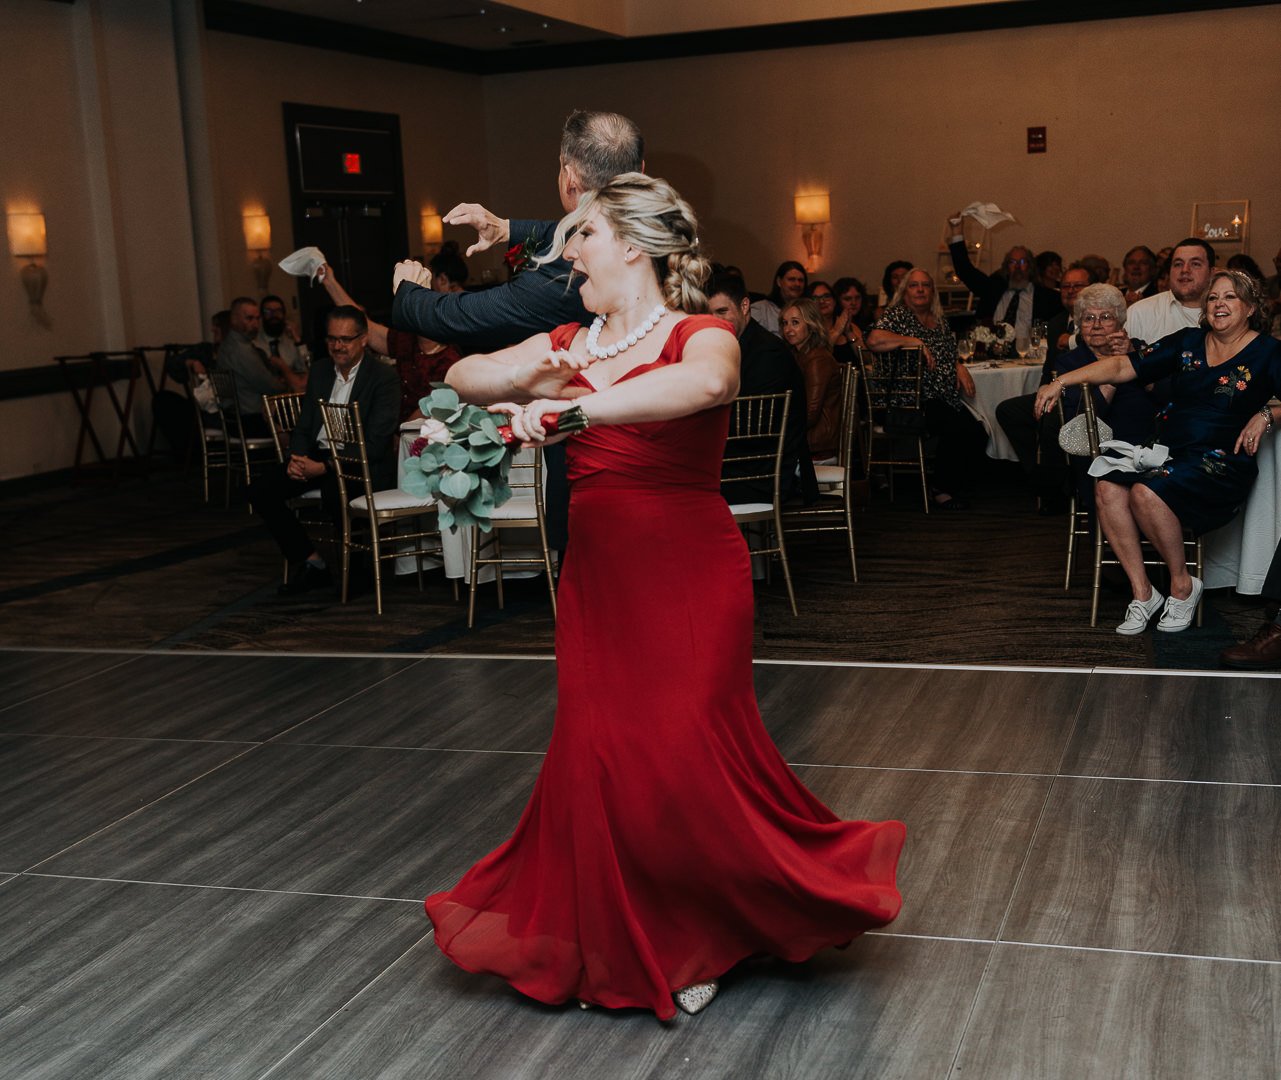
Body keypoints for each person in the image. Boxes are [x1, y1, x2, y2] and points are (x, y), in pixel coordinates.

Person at [428, 173, 904, 1020]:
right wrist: (529, 375)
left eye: (581, 237)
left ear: (633, 247)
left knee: (680, 746)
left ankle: (703, 931)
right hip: (599, 574)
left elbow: (706, 389)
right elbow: (466, 373)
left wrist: (580, 411)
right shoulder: (568, 336)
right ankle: (618, 929)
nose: (566, 253)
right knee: (601, 749)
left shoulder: (699, 332)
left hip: (685, 567)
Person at [388, 109, 644, 551]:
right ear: (641, 174)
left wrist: (409, 294)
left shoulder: (565, 277)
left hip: (601, 472)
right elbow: (563, 229)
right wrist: (507, 229)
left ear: (568, 178)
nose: (572, 252)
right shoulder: (659, 247)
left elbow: (465, 317)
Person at [1034, 269, 1281, 634]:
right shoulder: (1188, 341)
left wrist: (1266, 414)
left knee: (1146, 494)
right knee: (1106, 486)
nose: (1219, 304)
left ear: (1249, 307)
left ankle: (1182, 585)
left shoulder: (1268, 352)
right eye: (1213, 298)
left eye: (1229, 297)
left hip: (1219, 464)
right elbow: (1123, 365)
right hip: (1166, 453)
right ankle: (1144, 592)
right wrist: (1060, 380)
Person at [248, 306, 400, 596]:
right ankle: (312, 562)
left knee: (335, 493)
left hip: (361, 461)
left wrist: (327, 467)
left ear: (364, 340)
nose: (338, 346)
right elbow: (305, 425)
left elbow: (377, 443)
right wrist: (297, 457)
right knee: (261, 490)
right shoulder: (319, 370)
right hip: (318, 454)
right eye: (332, 339)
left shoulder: (382, 378)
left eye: (346, 339)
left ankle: (357, 573)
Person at [996, 271, 1129, 512]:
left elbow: (1163, 395)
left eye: (1106, 317)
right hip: (1094, 448)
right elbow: (1084, 419)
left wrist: (1128, 358)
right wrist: (1114, 371)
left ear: (1120, 323)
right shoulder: (1069, 363)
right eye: (1088, 318)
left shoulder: (1137, 352)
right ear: (1080, 325)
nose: (1097, 325)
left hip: (1138, 444)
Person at [868, 267, 985, 509]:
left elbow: (945, 354)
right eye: (913, 285)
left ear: (932, 291)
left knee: (978, 429)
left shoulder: (939, 320)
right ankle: (940, 488)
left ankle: (953, 483)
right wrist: (913, 341)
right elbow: (874, 340)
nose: (920, 289)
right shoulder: (897, 316)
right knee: (956, 426)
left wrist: (958, 365)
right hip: (908, 401)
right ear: (904, 292)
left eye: (925, 285)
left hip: (941, 397)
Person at [706, 271, 818, 505]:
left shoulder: (768, 353)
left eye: (722, 311)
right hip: (745, 459)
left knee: (677, 485)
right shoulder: (735, 344)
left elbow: (750, 426)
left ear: (745, 305)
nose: (714, 320)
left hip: (765, 471)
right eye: (708, 314)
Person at [317, 262, 460, 422]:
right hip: (393, 429)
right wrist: (329, 281)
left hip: (425, 435)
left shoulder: (450, 360)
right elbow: (362, 324)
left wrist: (402, 433)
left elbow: (434, 407)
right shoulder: (406, 340)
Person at [944, 216, 1062, 335]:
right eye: (1012, 262)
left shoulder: (1048, 298)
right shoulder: (992, 289)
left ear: (1030, 266)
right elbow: (966, 271)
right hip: (990, 350)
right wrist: (956, 233)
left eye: (1022, 262)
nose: (1017, 266)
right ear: (1006, 266)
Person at [216, 298, 306, 435]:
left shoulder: (231, 345)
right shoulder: (241, 350)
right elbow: (270, 386)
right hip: (252, 420)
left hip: (239, 418)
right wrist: (287, 384)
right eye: (249, 318)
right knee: (305, 415)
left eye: (257, 319)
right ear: (234, 319)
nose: (255, 324)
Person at [780, 297, 843, 460]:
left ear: (811, 324)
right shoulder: (799, 354)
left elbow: (810, 413)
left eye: (795, 322)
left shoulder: (817, 359)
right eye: (785, 323)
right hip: (805, 441)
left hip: (816, 446)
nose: (788, 329)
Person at [1125, 238, 1215, 346]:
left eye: (1195, 264)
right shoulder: (1140, 313)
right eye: (1178, 264)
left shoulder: (1224, 313)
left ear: (1212, 273)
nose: (1185, 270)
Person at [749, 260, 806, 336]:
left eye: (801, 280)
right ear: (779, 281)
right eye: (791, 279)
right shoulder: (761, 309)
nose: (797, 284)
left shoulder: (808, 311)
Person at [257, 294, 310, 375]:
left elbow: (306, 367)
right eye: (268, 311)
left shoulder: (291, 343)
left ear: (284, 314)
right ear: (261, 315)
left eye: (278, 311)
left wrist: (297, 338)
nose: (274, 315)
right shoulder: (255, 344)